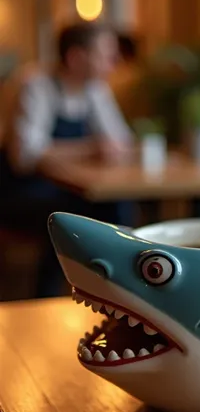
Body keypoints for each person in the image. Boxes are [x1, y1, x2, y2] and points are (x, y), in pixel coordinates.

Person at [0, 23, 135, 297]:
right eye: (105, 53)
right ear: (76, 58)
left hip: (66, 188)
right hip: (19, 190)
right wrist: (91, 149)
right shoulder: (35, 84)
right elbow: (24, 155)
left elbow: (121, 140)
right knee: (67, 218)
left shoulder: (95, 89)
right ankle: (46, 297)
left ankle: (118, 295)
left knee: (118, 208)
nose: (114, 61)